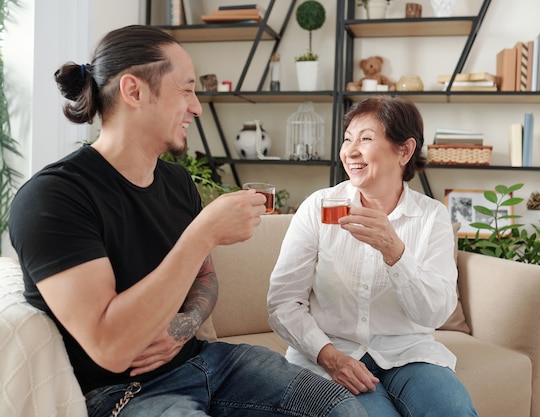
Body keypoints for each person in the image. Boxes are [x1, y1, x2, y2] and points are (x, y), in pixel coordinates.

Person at [8, 25, 367, 417]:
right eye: (186, 90)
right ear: (134, 91)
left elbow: (205, 279)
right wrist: (203, 232)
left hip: (210, 363)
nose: (196, 106)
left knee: (342, 410)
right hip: (124, 392)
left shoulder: (177, 182)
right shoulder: (53, 198)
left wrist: (184, 325)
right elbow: (110, 347)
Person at [267, 96, 478, 417]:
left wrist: (396, 252)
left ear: (404, 151)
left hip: (408, 353)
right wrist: (331, 358)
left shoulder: (431, 217)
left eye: (365, 138)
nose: (350, 151)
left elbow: (434, 315)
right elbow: (283, 302)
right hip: (332, 352)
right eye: (348, 139)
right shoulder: (319, 206)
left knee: (452, 409)